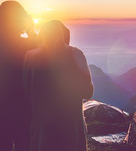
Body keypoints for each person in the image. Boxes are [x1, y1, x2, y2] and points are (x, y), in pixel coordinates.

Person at [23, 20, 94, 151]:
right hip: (71, 124)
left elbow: (27, 93)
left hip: (42, 126)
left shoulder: (31, 57)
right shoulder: (75, 54)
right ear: (65, 36)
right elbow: (88, 92)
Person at [0, 0, 37, 151]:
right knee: (24, 146)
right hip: (24, 107)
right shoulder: (30, 45)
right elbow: (44, 50)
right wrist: (30, 29)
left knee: (2, 146)